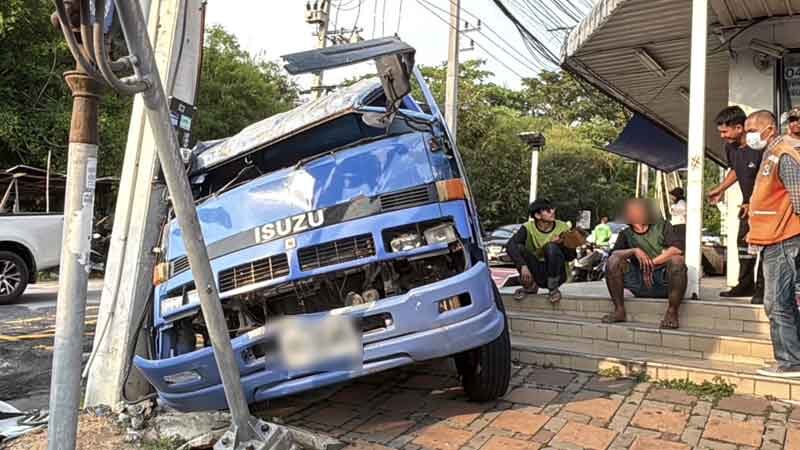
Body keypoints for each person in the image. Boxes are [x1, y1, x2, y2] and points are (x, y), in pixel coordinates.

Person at [746, 110, 800, 377]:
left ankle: (790, 362)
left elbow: (798, 195)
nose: (748, 135)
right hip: (773, 237)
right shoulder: (771, 153)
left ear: (768, 129)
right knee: (778, 302)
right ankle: (789, 358)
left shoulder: (784, 153)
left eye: (751, 129)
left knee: (778, 302)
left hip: (784, 238)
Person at [707, 106, 764, 303]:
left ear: (739, 128)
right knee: (743, 245)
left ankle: (762, 289)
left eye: (725, 131)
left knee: (763, 246)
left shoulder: (759, 147)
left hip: (765, 206)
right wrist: (720, 188)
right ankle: (745, 284)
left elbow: (768, 180)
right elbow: (735, 170)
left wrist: (754, 203)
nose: (722, 136)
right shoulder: (730, 148)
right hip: (747, 205)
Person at [603, 199, 687, 329]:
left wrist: (651, 263)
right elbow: (613, 255)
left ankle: (672, 312)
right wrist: (634, 250)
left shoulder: (662, 226)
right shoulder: (625, 234)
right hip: (639, 280)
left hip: (663, 280)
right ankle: (619, 310)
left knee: (677, 260)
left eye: (638, 210)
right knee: (613, 261)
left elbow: (676, 249)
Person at [507, 199, 576, 304]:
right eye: (548, 211)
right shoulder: (528, 227)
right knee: (518, 247)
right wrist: (522, 266)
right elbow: (510, 246)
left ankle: (553, 288)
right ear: (538, 216)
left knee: (551, 247)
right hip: (538, 272)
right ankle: (530, 286)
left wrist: (562, 244)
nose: (552, 212)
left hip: (558, 274)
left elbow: (571, 256)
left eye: (552, 209)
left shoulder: (562, 227)